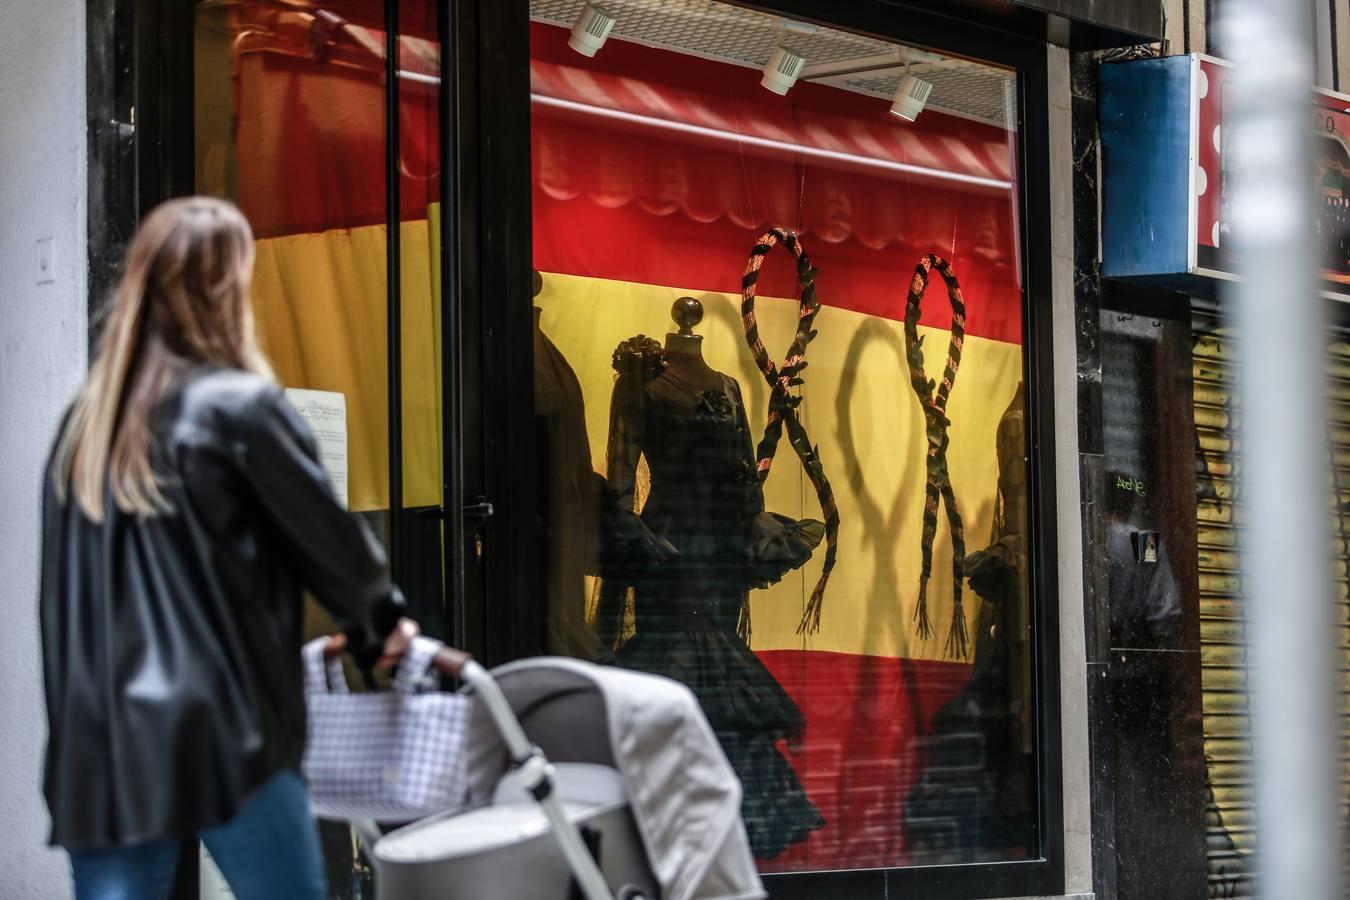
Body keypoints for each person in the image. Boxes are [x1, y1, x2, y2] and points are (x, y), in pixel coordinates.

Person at [38, 197, 417, 899]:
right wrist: (379, 631)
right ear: (228, 289)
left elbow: (62, 609)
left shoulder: (84, 429)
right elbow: (338, 554)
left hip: (103, 756)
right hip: (225, 737)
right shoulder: (243, 410)